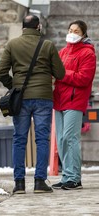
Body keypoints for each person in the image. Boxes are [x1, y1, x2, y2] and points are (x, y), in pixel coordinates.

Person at [0, 14, 65, 194]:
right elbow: (60, 73)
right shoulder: (47, 45)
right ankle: (40, 181)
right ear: (39, 27)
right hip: (43, 97)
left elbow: (0, 71)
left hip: (21, 98)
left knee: (19, 139)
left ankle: (19, 184)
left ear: (22, 27)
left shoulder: (12, 44)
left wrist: (14, 86)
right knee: (42, 139)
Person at [52, 20, 96, 190]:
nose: (72, 33)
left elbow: (84, 78)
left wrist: (62, 74)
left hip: (74, 101)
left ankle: (74, 177)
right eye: (70, 30)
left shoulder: (87, 53)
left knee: (71, 138)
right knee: (61, 139)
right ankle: (67, 175)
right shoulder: (62, 52)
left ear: (84, 34)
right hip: (60, 100)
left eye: (76, 31)